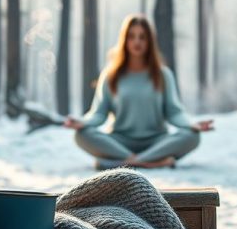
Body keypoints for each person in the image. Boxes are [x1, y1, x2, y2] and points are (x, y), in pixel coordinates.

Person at [64, 14, 213, 169]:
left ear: (150, 41)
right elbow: (99, 113)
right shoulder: (110, 75)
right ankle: (150, 162)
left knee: (192, 136)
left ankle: (126, 163)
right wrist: (82, 122)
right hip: (120, 142)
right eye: (132, 37)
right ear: (124, 40)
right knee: (82, 135)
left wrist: (192, 124)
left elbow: (174, 112)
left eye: (142, 37)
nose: (137, 42)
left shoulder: (163, 75)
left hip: (156, 142)